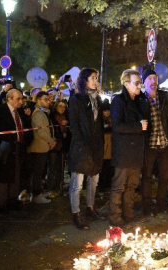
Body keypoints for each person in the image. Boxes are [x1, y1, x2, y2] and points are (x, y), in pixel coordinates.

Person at [109, 69, 149, 226]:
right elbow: (117, 125)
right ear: (126, 83)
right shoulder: (119, 101)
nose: (140, 86)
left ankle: (129, 214)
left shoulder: (139, 101)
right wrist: (138, 126)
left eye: (140, 83)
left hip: (136, 151)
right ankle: (115, 217)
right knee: (119, 186)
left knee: (132, 185)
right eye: (136, 83)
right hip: (124, 152)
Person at [68, 68, 105, 230]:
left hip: (95, 145)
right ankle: (76, 213)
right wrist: (80, 143)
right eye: (92, 78)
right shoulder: (77, 98)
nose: (95, 81)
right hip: (82, 145)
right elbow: (74, 124)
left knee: (93, 180)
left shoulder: (97, 99)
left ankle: (90, 207)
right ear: (84, 80)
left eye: (96, 78)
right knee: (77, 183)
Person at [0, 89, 32, 213]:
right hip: (3, 147)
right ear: (9, 99)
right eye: (18, 99)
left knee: (15, 174)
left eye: (21, 98)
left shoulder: (20, 113)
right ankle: (1, 203)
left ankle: (12, 200)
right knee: (2, 176)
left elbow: (25, 128)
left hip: (18, 148)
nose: (21, 101)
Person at [140, 69, 168, 217]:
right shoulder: (141, 99)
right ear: (144, 82)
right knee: (147, 177)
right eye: (149, 79)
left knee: (165, 176)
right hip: (149, 144)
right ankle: (147, 206)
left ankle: (161, 202)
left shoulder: (165, 96)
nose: (153, 81)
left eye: (154, 78)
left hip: (165, 143)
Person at [27, 91, 56, 204]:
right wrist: (51, 141)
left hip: (43, 146)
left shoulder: (44, 113)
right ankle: (36, 194)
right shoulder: (38, 113)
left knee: (39, 171)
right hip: (38, 147)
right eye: (45, 99)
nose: (48, 101)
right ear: (38, 100)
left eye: (48, 99)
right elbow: (41, 131)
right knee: (37, 172)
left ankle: (38, 192)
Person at [48, 99, 70, 197]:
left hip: (64, 144)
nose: (62, 108)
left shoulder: (67, 117)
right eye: (60, 106)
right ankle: (51, 188)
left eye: (64, 106)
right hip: (54, 144)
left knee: (61, 166)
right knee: (53, 166)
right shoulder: (52, 117)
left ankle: (59, 186)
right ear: (56, 107)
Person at [99, 100, 114, 191]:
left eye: (108, 110)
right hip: (103, 148)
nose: (107, 112)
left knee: (109, 167)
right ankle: (102, 185)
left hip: (111, 148)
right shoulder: (100, 121)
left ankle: (108, 184)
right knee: (103, 168)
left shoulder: (113, 119)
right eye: (105, 111)